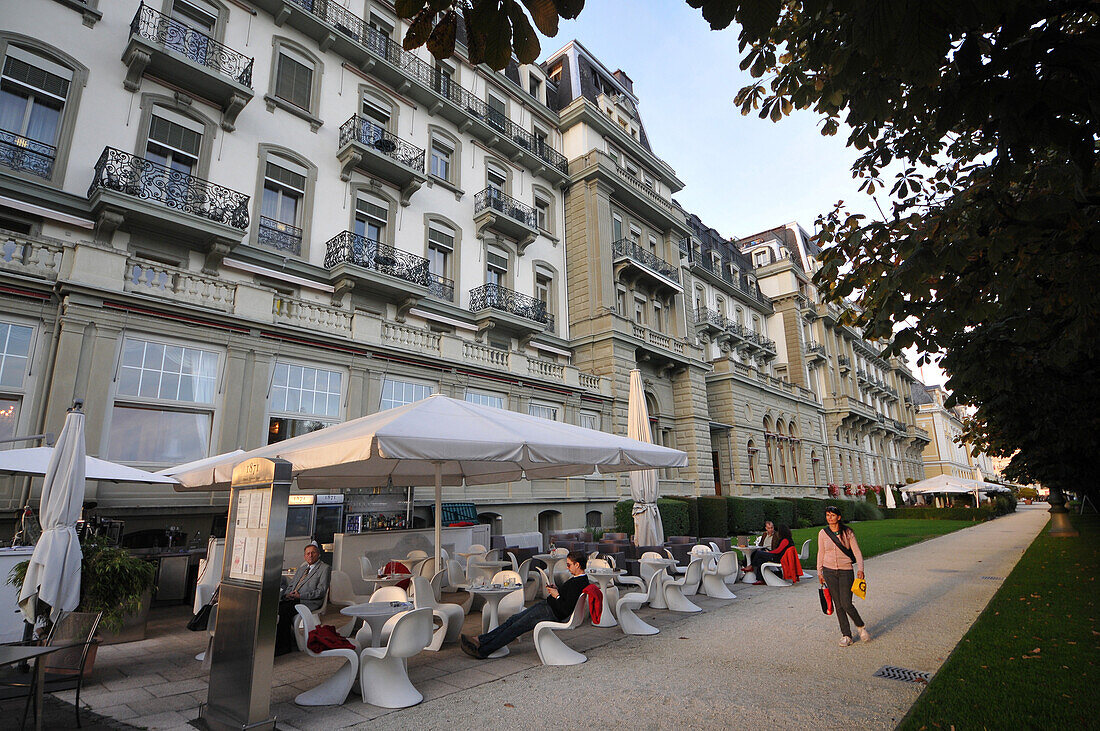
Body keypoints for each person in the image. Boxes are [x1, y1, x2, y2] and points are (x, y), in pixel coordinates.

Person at [460, 550, 590, 659]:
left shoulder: (579, 583)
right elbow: (567, 598)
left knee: (516, 627)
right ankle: (480, 640)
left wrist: (557, 595)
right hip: (547, 606)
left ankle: (483, 651)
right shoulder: (578, 580)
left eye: (569, 565)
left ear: (577, 565)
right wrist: (557, 590)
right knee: (513, 620)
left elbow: (565, 608)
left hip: (552, 612)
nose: (567, 567)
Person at [817, 505, 870, 647]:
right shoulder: (823, 533)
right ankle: (846, 635)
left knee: (846, 603)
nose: (830, 518)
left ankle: (860, 626)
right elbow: (820, 553)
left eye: (832, 515)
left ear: (838, 517)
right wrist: (819, 572)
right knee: (838, 605)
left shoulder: (848, 533)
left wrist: (861, 569)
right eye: (827, 515)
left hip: (846, 570)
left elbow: (857, 552)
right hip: (829, 571)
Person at [274, 542, 331, 656]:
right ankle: (280, 642)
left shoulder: (324, 568)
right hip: (293, 599)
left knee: (284, 611)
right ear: (304, 556)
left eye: (313, 553)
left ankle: (284, 647)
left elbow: (321, 591)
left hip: (309, 601)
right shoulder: (302, 568)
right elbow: (291, 585)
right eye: (307, 554)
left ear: (318, 554)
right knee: (276, 608)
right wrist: (287, 594)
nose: (310, 556)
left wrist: (300, 596)